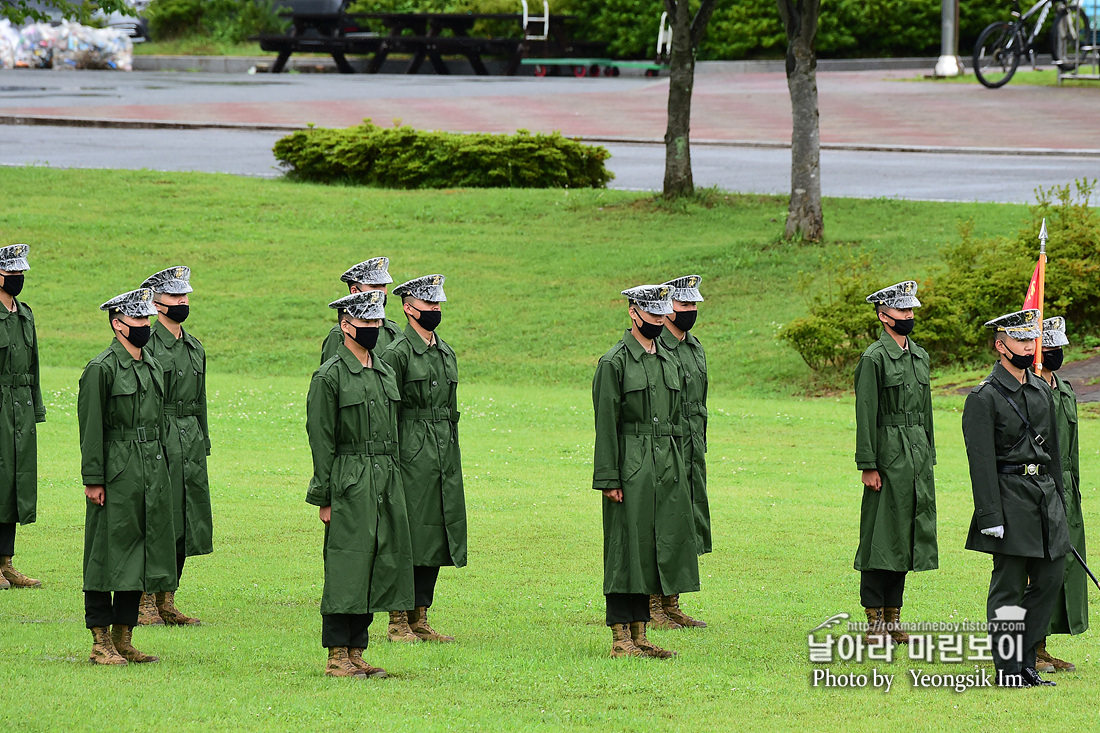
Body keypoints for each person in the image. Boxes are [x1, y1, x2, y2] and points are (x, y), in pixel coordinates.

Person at [306, 289, 414, 678]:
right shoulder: (329, 376)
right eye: (365, 322)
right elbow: (321, 439)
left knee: (378, 561)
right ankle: (337, 655)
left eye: (376, 322)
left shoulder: (384, 370)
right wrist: (325, 496)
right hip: (349, 478)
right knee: (346, 564)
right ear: (345, 324)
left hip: (386, 476)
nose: (372, 328)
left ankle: (357, 649)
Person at [962, 308, 1071, 688]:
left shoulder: (1041, 389)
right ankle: (1008, 667)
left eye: (1031, 340)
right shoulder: (983, 398)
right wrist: (990, 515)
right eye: (1021, 340)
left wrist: (1061, 501)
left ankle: (1025, 659)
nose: (1028, 347)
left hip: (1044, 498)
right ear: (1000, 345)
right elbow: (981, 463)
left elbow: (1054, 453)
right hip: (1008, 500)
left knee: (1051, 577)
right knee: (1008, 586)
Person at [592, 284, 700, 659]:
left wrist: (680, 466)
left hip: (667, 462)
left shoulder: (668, 360)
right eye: (651, 315)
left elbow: (677, 418)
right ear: (633, 314)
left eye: (661, 315)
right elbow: (606, 423)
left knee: (657, 545)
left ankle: (641, 634)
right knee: (626, 549)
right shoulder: (614, 362)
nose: (658, 321)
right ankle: (621, 638)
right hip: (631, 464)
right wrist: (609, 478)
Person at [78, 288, 176, 666]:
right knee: (105, 554)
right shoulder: (101, 368)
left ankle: (124, 637)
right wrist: (94, 478)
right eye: (138, 320)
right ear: (118, 324)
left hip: (151, 468)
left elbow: (158, 421)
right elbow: (90, 428)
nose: (146, 326)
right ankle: (100, 640)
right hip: (117, 469)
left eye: (147, 319)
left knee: (142, 552)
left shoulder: (151, 364)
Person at [380, 274, 465, 643]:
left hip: (443, 452)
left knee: (434, 532)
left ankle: (420, 615)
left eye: (437, 304)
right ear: (408, 307)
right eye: (428, 304)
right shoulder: (396, 353)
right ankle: (398, 619)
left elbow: (451, 409)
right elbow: (385, 411)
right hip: (408, 452)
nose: (434, 310)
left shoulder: (445, 352)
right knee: (407, 536)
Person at [853, 281, 937, 645]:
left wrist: (928, 455)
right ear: (883, 315)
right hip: (887, 455)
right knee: (879, 537)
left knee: (905, 535)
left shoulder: (919, 356)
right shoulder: (873, 358)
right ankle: (873, 620)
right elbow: (866, 411)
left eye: (911, 310)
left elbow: (927, 411)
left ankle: (893, 617)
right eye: (903, 311)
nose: (910, 316)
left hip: (915, 455)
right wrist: (868, 464)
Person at [134, 266, 212, 627]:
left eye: (185, 296)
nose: (182, 302)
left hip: (189, 439)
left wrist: (203, 441)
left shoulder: (195, 346)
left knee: (185, 518)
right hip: (159, 435)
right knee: (156, 518)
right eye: (175, 296)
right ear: (155, 301)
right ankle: (145, 599)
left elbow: (201, 401)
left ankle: (168, 598)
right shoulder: (146, 343)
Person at [652, 275, 709, 630]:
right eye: (684, 304)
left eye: (693, 305)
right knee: (662, 521)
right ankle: (652, 604)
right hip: (666, 444)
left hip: (693, 446)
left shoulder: (694, 347)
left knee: (686, 520)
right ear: (667, 307)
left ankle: (673, 602)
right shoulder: (659, 347)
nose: (690, 311)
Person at [1033, 316, 1087, 673]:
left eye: (1059, 348)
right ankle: (1030, 647)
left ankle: (1043, 644)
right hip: (1040, 486)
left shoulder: (1065, 390)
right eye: (1049, 348)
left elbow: (1073, 449)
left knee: (1061, 566)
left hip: (1067, 487)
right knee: (1036, 566)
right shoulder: (1029, 391)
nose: (1057, 354)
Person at [0, 244, 45, 591]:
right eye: (12, 273)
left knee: (15, 482)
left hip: (21, 407)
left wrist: (36, 408)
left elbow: (34, 368)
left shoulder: (25, 315)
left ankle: (6, 562)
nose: (17, 278)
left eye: (21, 273)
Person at [320, 258, 403, 364]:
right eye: (374, 286)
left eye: (383, 286)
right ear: (354, 291)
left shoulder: (394, 330)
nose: (381, 292)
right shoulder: (340, 333)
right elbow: (331, 374)